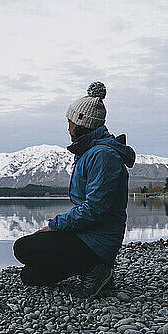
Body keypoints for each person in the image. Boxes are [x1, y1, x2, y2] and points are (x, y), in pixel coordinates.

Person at [13, 82, 136, 298]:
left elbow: (95, 209)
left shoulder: (103, 156)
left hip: (98, 240)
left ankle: (96, 268)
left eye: (70, 122)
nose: (67, 127)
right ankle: (90, 268)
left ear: (81, 123)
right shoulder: (89, 151)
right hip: (87, 234)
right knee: (31, 277)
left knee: (23, 248)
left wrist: (55, 227)